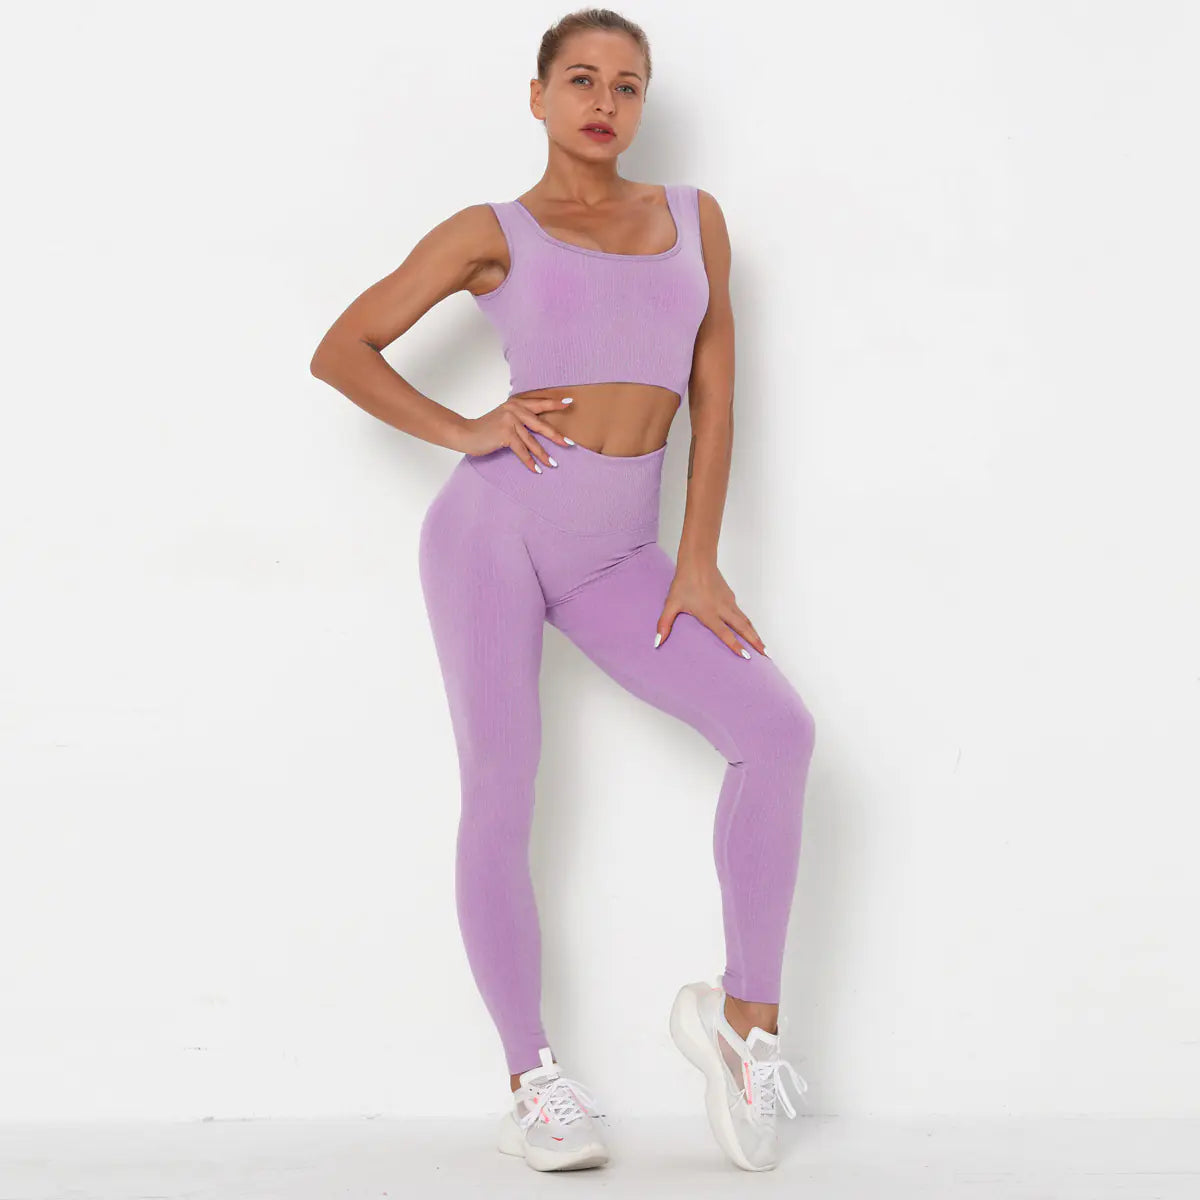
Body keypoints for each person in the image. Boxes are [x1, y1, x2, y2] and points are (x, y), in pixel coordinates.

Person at [310, 7, 815, 1174]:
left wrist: (698, 559)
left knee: (776, 734)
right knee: (502, 790)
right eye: (580, 79)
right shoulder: (492, 231)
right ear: (537, 97)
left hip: (621, 554)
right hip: (490, 533)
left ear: (643, 105)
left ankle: (745, 1027)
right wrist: (464, 427)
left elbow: (715, 393)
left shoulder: (694, 220)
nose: (604, 101)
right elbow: (343, 348)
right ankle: (533, 1079)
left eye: (626, 85)